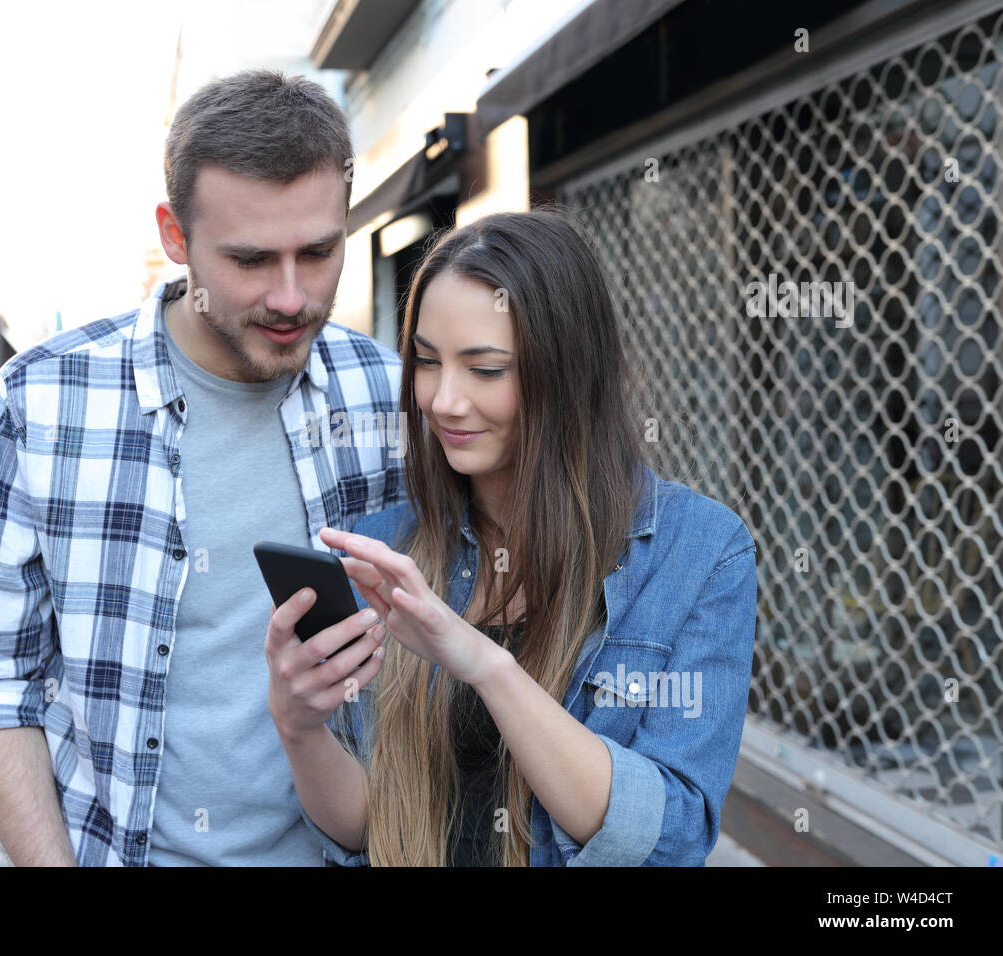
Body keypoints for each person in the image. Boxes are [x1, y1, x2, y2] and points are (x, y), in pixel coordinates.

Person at [0, 69, 406, 866]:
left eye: (320, 252)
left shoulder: (389, 394)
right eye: (252, 259)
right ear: (174, 234)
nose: (293, 297)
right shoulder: (44, 401)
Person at [264, 208, 759, 866]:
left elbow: (669, 837)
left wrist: (485, 664)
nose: (443, 400)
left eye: (486, 369)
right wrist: (299, 728)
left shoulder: (698, 553)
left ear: (567, 370)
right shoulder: (387, 543)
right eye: (427, 362)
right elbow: (369, 827)